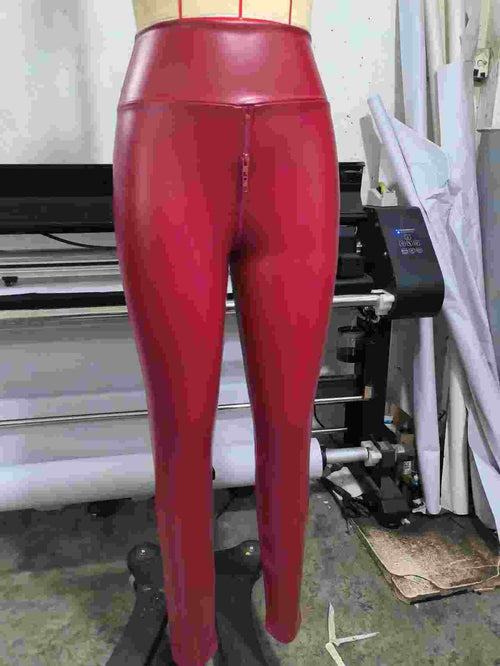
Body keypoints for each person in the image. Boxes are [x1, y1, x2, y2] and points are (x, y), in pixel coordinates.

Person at [113, 1, 339, 663]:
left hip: (296, 122)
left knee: (291, 416)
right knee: (180, 425)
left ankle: (283, 610)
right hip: (167, 121)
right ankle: (191, 636)